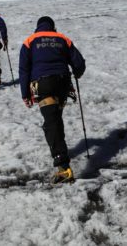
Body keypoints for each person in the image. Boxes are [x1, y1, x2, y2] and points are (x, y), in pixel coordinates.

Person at [19, 16, 85, 184]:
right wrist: (77, 72)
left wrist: (25, 94)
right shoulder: (62, 38)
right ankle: (61, 154)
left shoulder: (30, 41)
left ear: (38, 27)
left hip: (43, 84)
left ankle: (63, 167)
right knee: (55, 119)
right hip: (63, 83)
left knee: (51, 122)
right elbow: (79, 62)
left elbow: (24, 69)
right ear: (52, 27)